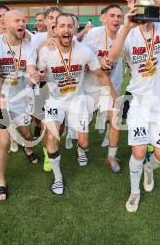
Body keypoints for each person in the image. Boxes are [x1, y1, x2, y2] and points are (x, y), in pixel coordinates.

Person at [108, 0, 160, 213]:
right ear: (135, 7)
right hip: (139, 103)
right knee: (139, 152)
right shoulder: (128, 32)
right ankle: (134, 192)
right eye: (143, 3)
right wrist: (126, 26)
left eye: (150, 3)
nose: (147, 7)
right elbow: (111, 59)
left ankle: (150, 170)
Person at [37, 13, 117, 195]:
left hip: (77, 100)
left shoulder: (84, 51)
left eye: (69, 26)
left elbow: (101, 74)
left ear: (74, 29)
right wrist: (37, 77)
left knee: (84, 142)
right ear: (55, 30)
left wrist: (114, 95)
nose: (66, 29)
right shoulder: (45, 51)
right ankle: (58, 178)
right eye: (62, 26)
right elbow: (38, 72)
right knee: (52, 136)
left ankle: (81, 152)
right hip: (54, 101)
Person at [0, 10, 39, 201]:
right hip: (0, 99)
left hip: (21, 99)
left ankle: (27, 148)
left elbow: (31, 69)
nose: (22, 23)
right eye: (17, 20)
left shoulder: (30, 45)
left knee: (26, 133)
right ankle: (1, 182)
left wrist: (34, 77)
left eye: (24, 20)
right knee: (3, 141)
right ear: (6, 24)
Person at [81, 4, 124, 172]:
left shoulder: (124, 34)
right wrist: (98, 63)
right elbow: (83, 59)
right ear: (103, 18)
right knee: (87, 121)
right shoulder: (94, 34)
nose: (116, 19)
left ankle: (111, 157)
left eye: (119, 16)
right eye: (112, 15)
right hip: (91, 86)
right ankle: (81, 150)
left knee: (115, 118)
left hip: (112, 84)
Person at [32, 6, 62, 172]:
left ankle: (52, 147)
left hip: (64, 92)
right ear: (46, 21)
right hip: (42, 91)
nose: (54, 20)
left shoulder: (69, 38)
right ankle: (47, 155)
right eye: (51, 17)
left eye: (58, 17)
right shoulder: (36, 39)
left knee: (59, 130)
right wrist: (42, 46)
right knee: (46, 127)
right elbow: (28, 63)